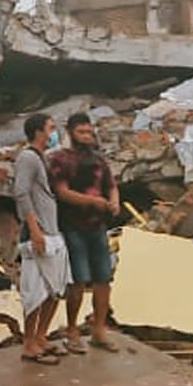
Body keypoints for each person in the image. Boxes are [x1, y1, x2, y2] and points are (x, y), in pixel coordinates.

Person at [50, 111, 120, 352]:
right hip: (72, 225)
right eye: (81, 132)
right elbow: (62, 192)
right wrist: (92, 202)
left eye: (89, 132)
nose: (87, 136)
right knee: (78, 279)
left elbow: (111, 186)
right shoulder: (60, 159)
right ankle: (72, 330)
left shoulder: (99, 160)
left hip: (98, 226)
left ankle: (99, 329)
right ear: (70, 132)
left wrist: (113, 202)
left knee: (104, 278)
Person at [13, 113, 73, 364]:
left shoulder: (42, 159)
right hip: (38, 234)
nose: (53, 133)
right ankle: (29, 343)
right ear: (38, 131)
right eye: (50, 128)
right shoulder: (28, 157)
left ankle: (41, 336)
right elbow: (21, 193)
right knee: (35, 290)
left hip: (53, 231)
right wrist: (34, 229)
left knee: (55, 288)